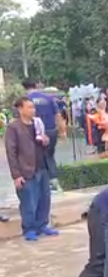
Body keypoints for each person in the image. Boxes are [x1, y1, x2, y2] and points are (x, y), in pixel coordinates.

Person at [5, 96, 57, 241]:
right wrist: (16, 175)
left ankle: (42, 225)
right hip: (26, 170)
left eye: (33, 107)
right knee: (29, 201)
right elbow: (11, 152)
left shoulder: (37, 124)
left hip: (42, 166)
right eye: (29, 107)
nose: (33, 110)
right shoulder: (13, 127)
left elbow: (44, 141)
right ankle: (29, 228)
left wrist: (45, 140)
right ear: (20, 109)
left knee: (44, 199)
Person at [23, 79, 65, 190]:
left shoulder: (27, 100)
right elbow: (58, 115)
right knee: (50, 156)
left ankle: (43, 184)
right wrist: (62, 131)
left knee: (37, 158)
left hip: (35, 132)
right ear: (36, 85)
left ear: (24, 88)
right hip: (51, 130)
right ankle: (54, 181)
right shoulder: (48, 97)